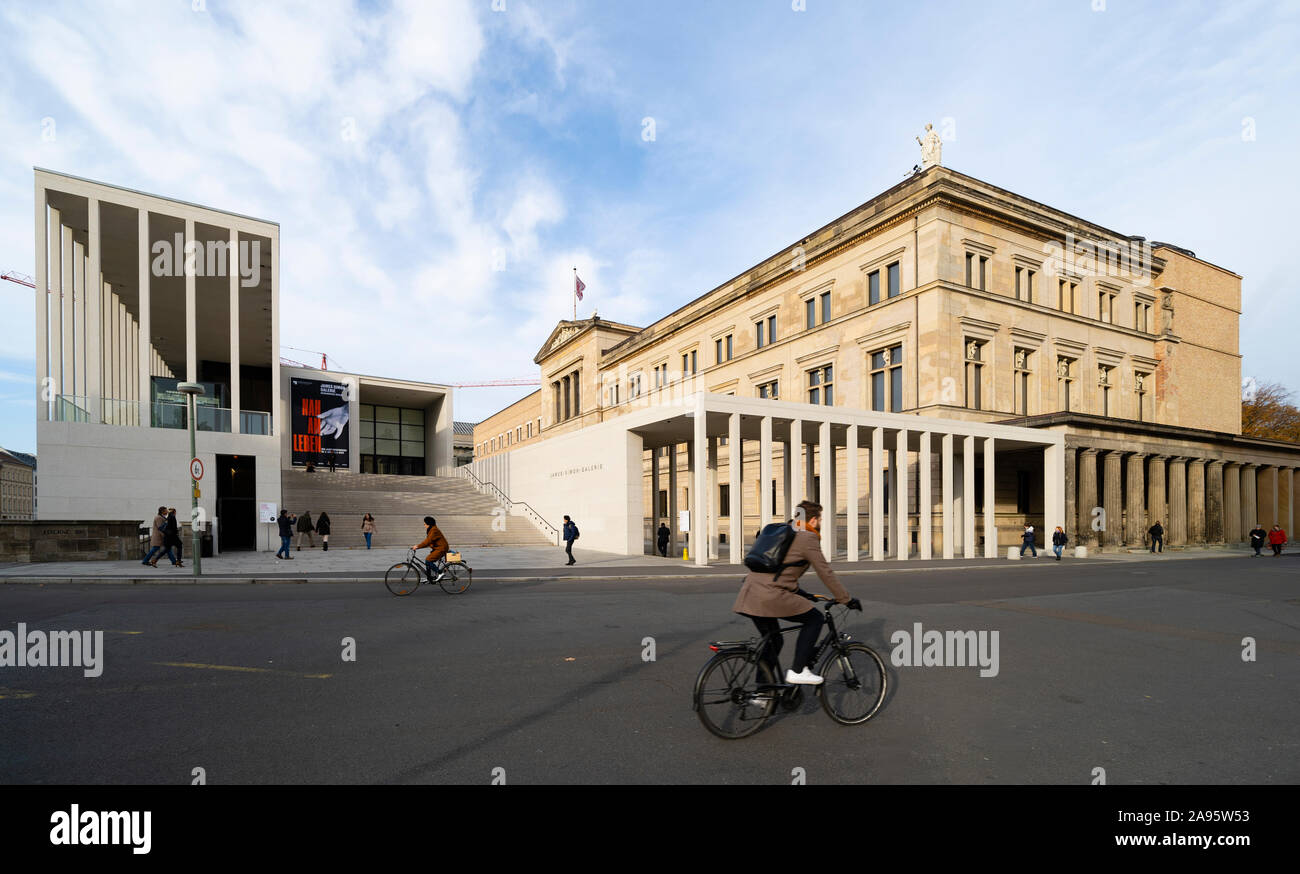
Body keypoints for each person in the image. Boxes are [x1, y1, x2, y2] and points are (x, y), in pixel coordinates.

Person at [733, 500, 860, 686]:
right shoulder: (807, 537)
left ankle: (763, 691)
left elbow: (780, 570)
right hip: (770, 595)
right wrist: (845, 599)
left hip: (749, 592)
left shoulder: (786, 531)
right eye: (821, 519)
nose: (821, 523)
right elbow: (825, 572)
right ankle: (798, 670)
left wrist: (803, 593)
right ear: (814, 520)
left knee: (774, 640)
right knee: (815, 619)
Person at [413, 516, 450, 582]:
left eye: (424, 524)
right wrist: (419, 546)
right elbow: (428, 542)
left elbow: (428, 541)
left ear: (428, 523)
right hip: (438, 548)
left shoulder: (434, 530)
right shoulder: (431, 529)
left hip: (441, 548)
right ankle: (429, 578)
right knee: (428, 561)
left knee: (428, 560)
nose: (424, 525)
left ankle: (440, 573)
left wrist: (418, 546)